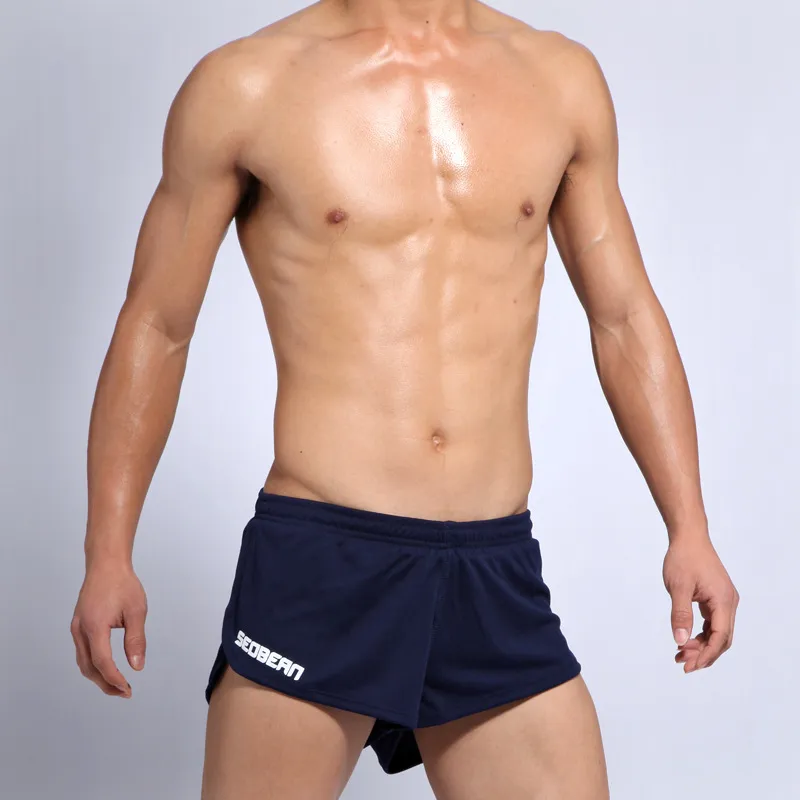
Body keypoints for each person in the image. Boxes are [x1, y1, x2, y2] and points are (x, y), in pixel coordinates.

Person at [70, 0, 739, 797]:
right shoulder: (248, 83)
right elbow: (157, 325)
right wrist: (107, 551)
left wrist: (689, 526)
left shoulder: (558, 79)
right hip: (324, 557)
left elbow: (624, 317)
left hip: (493, 562)